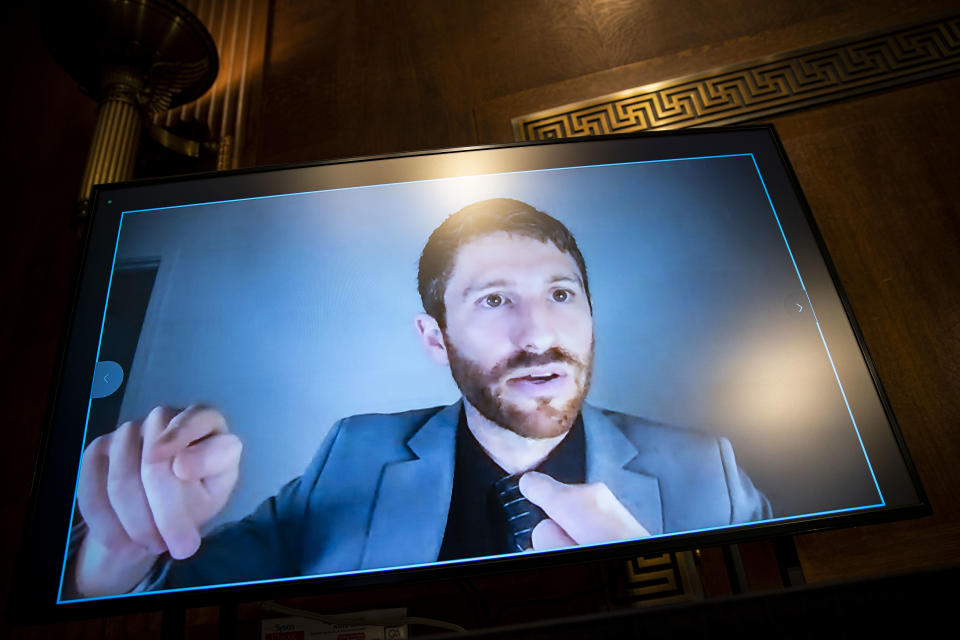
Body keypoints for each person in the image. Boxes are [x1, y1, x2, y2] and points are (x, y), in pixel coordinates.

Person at [69, 198, 770, 598]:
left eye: (561, 295)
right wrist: (118, 550)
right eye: (495, 300)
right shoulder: (354, 453)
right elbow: (188, 588)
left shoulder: (707, 470)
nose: (540, 335)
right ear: (435, 338)